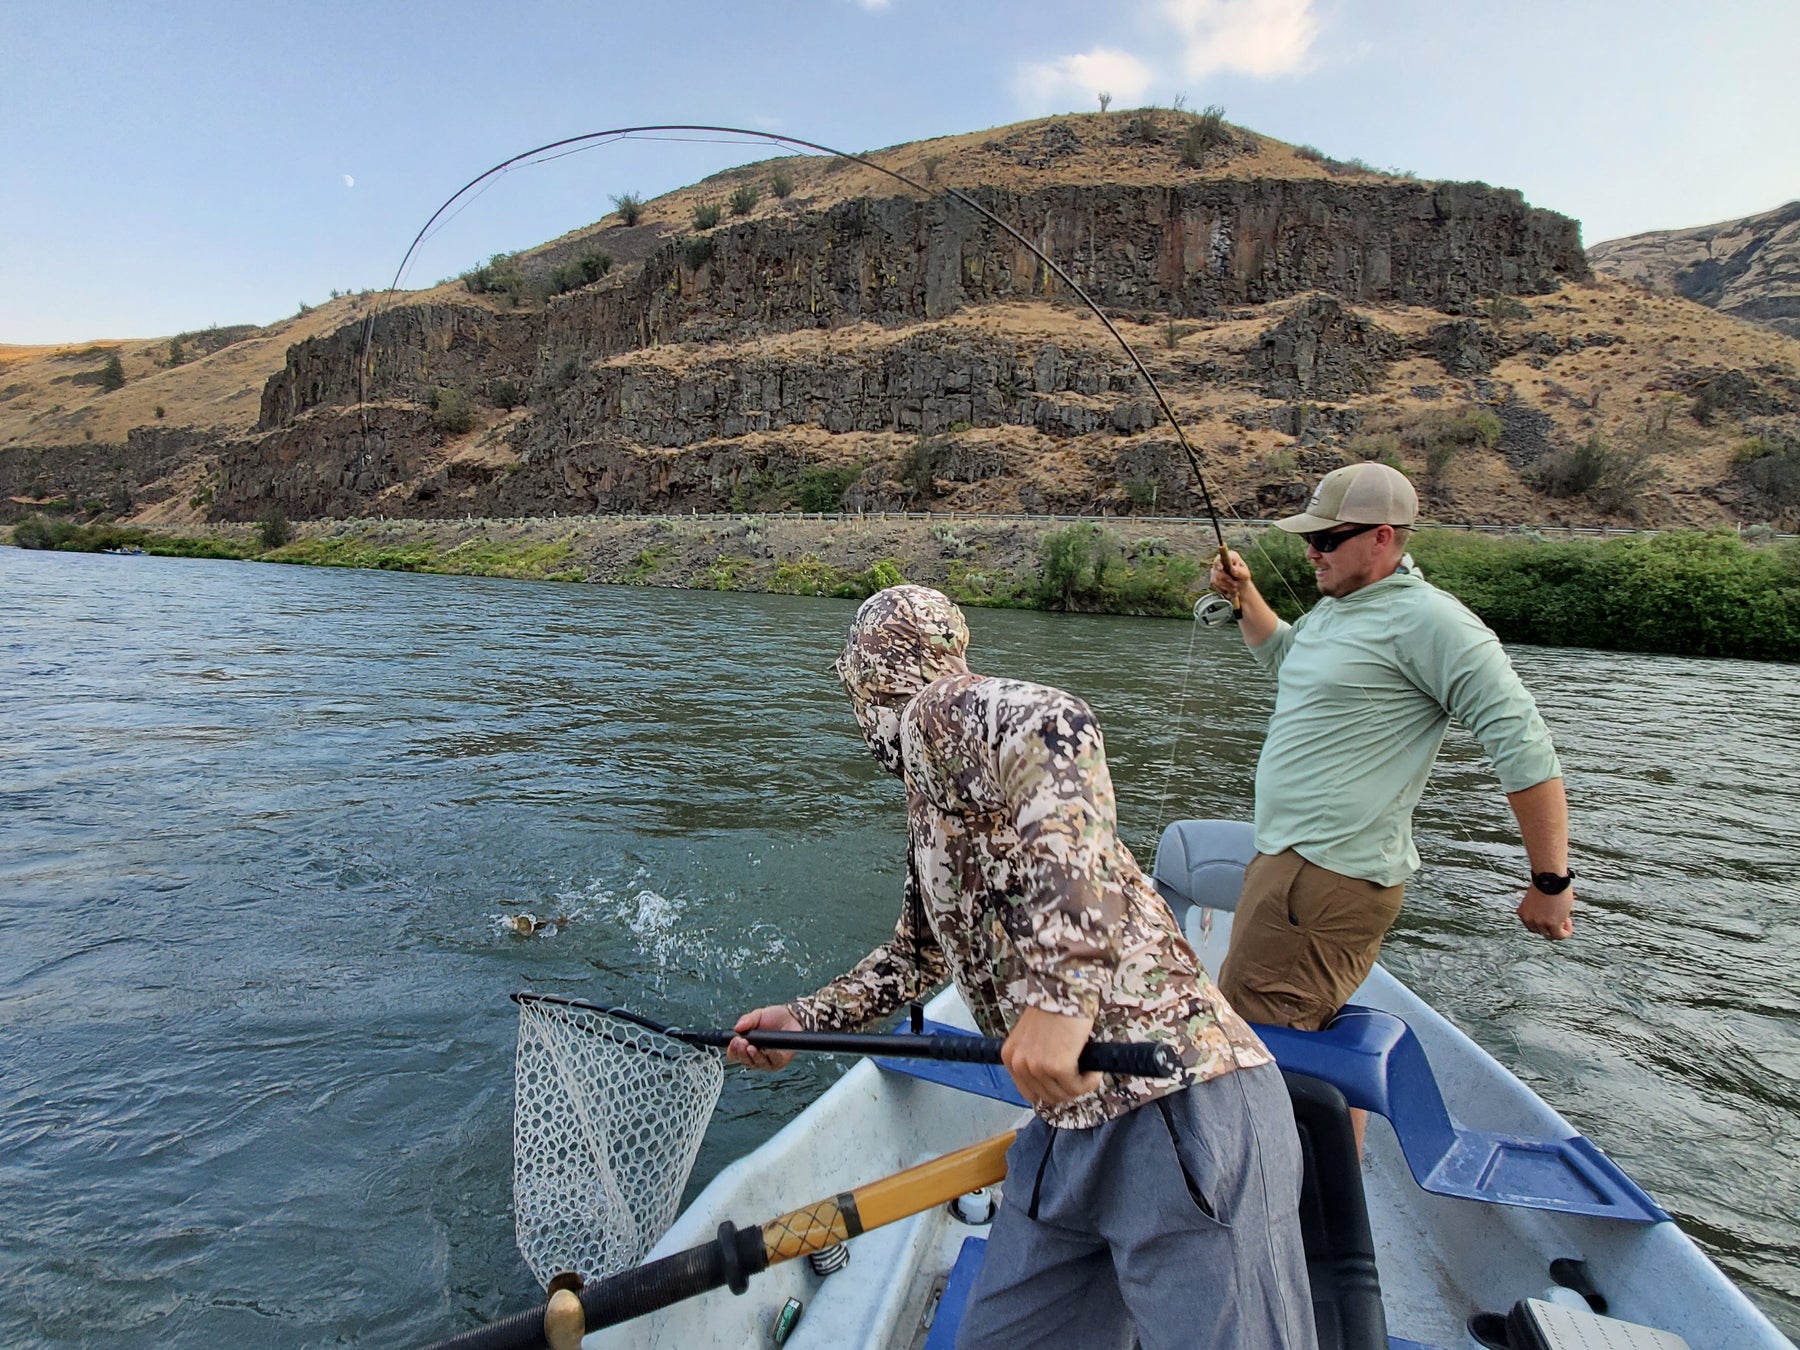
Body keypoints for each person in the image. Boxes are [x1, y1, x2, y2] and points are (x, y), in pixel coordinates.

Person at [730, 585, 1317, 1350]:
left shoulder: (932, 714)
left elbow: (1057, 721)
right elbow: (920, 951)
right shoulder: (935, 790)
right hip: (1068, 1125)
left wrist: (1063, 998)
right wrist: (808, 1020)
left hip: (1180, 1102)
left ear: (868, 682)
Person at [1208, 461, 1573, 1051]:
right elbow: (1287, 661)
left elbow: (1522, 742)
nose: (1311, 553)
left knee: (1263, 1046)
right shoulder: (1339, 607)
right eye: (1308, 539)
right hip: (1294, 862)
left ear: (1382, 536)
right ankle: (1332, 1146)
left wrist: (1550, 880)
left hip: (1325, 875)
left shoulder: (1432, 621)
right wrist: (1247, 594)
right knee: (1310, 1038)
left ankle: (1286, 1146)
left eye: (1326, 539)